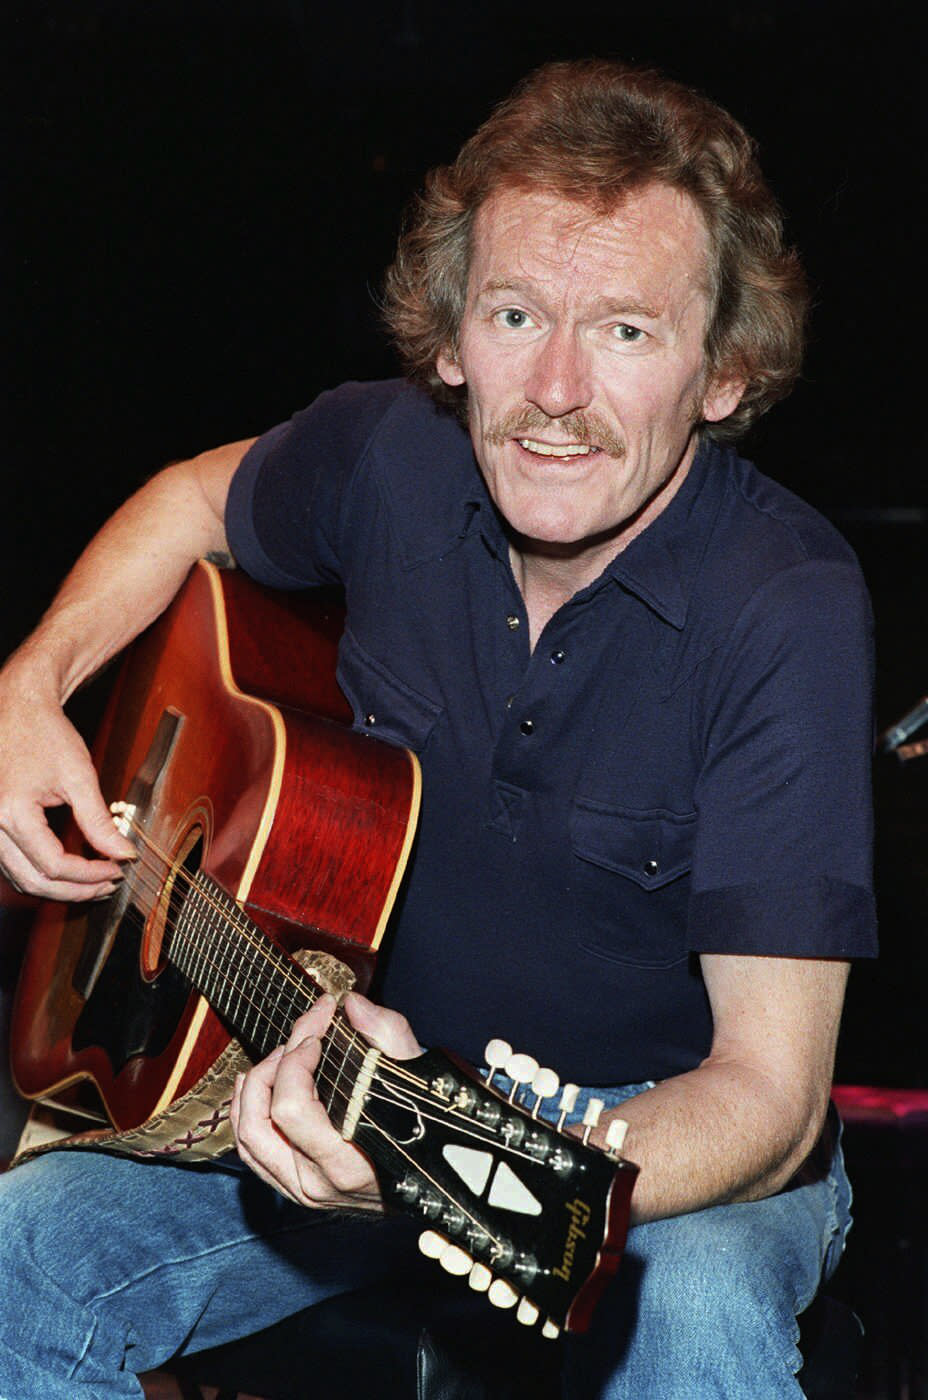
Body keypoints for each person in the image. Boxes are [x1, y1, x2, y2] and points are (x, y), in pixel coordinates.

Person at [0, 58, 876, 1398]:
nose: (557, 390)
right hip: (342, 1096)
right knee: (25, 1251)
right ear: (454, 337)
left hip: (655, 1159)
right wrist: (30, 685)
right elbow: (188, 498)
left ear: (721, 373)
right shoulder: (386, 459)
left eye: (629, 331)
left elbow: (768, 1095)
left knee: (694, 1316)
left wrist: (460, 1152)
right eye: (517, 314)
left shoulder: (786, 607)